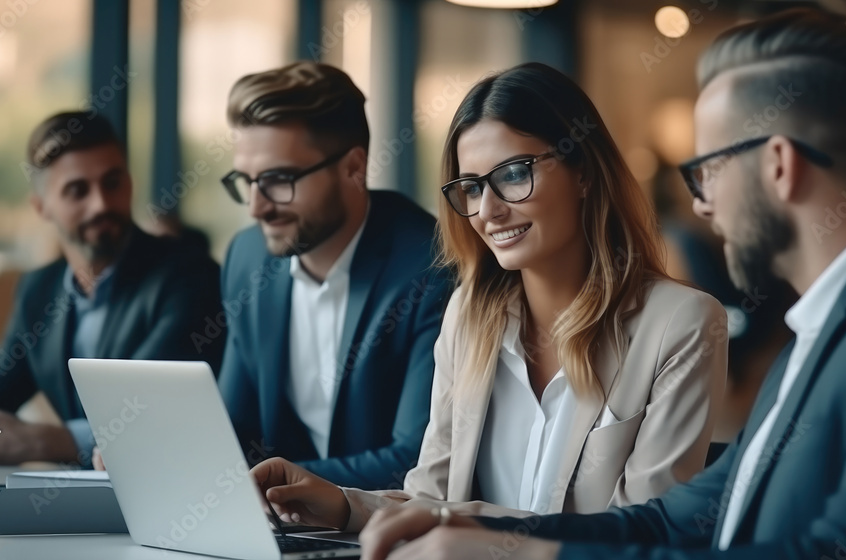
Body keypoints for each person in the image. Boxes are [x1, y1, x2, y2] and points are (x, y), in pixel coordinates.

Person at [352, 8, 846, 560]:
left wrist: (526, 557)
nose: (701, 208)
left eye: (707, 171)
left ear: (778, 166)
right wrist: (484, 539)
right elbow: (678, 520)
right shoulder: (832, 324)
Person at [250, 62, 728, 531]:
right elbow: (429, 500)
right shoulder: (467, 316)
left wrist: (463, 524)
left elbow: (640, 533)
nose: (489, 210)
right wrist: (343, 505)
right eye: (472, 187)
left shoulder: (681, 323)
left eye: (515, 174)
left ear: (583, 172)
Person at [215, 61, 453, 489]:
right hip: (280, 532)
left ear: (353, 168)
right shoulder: (247, 259)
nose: (256, 208)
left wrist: (265, 485)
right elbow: (234, 426)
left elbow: (416, 459)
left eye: (278, 180)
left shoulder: (432, 265)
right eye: (246, 181)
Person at [0, 111, 224, 467]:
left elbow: (152, 415)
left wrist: (48, 442)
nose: (101, 203)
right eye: (77, 190)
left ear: (131, 183)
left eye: (113, 182)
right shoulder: (38, 289)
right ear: (41, 207)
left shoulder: (190, 275)